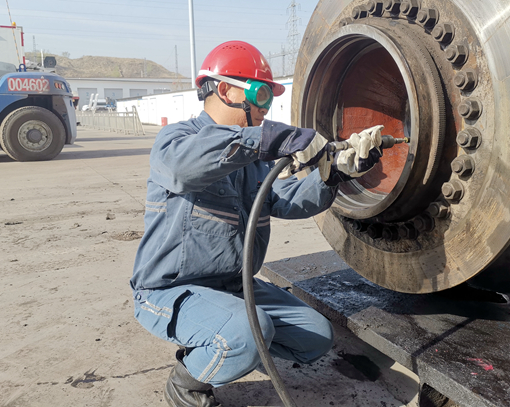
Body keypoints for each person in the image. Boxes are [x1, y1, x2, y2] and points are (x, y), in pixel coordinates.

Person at [130, 41, 385, 407]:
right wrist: (275, 139)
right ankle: (188, 382)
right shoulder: (177, 140)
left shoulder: (254, 163)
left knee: (315, 338)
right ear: (225, 90)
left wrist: (335, 174)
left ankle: (231, 337)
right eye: (262, 94)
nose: (267, 108)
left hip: (234, 287)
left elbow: (286, 201)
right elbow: (184, 170)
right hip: (169, 291)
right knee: (249, 334)